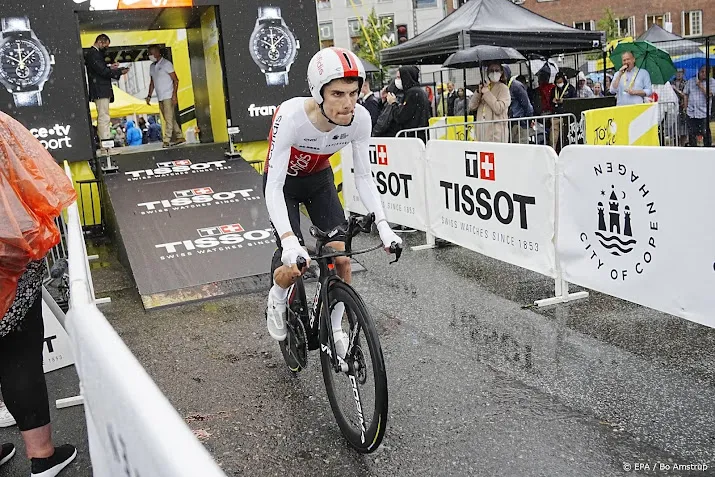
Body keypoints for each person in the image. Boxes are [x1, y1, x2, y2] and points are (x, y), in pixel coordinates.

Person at [263, 47, 402, 356]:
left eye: (353, 93)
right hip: (284, 185)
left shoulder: (360, 119)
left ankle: (336, 328)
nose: (348, 103)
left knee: (342, 259)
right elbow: (273, 186)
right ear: (318, 93)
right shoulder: (291, 116)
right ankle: (277, 295)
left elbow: (364, 177)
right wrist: (289, 240)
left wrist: (384, 226)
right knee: (295, 265)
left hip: (319, 182)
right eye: (338, 94)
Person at [0, 112, 77, 477]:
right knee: (18, 355)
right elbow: (32, 176)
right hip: (7, 259)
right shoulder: (1, 127)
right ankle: (42, 456)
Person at [85, 34, 129, 149]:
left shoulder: (93, 54)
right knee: (104, 118)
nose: (106, 48)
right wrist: (118, 71)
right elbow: (102, 71)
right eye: (106, 45)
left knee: (104, 117)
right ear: (100, 42)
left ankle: (105, 144)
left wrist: (111, 68)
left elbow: (101, 70)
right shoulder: (93, 54)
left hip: (100, 89)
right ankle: (106, 146)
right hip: (100, 90)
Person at [145, 45, 185, 148]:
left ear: (157, 53)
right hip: (160, 96)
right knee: (169, 118)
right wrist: (149, 95)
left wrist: (174, 95)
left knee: (168, 118)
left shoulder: (166, 64)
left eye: (151, 53)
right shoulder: (152, 67)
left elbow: (175, 80)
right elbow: (152, 82)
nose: (150, 55)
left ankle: (166, 140)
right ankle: (180, 136)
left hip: (168, 95)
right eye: (149, 53)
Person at [385, 66, 431, 142]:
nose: (397, 80)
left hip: (413, 137)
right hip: (419, 135)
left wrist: (393, 103)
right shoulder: (418, 91)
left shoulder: (412, 93)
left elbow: (401, 116)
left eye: (399, 77)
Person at [468, 62, 511, 143]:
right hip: (482, 131)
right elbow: (472, 106)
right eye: (491, 70)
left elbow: (499, 108)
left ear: (501, 72)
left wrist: (487, 93)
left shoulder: (503, 88)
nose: (494, 72)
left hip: (496, 132)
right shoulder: (485, 86)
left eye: (497, 70)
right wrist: (478, 92)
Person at [683, 65, 715, 147]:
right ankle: (693, 150)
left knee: (705, 133)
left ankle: (707, 149)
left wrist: (700, 86)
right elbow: (685, 94)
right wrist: (686, 107)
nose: (704, 73)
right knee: (692, 134)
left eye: (706, 72)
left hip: (704, 113)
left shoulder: (712, 81)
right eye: (702, 71)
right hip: (691, 112)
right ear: (698, 72)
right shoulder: (691, 81)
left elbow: (710, 94)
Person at [503, 65, 534, 144]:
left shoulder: (516, 86)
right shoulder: (503, 86)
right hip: (509, 123)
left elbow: (526, 104)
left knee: (521, 145)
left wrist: (529, 118)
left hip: (519, 122)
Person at [549, 72, 576, 151]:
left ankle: (566, 151)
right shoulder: (554, 89)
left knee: (565, 136)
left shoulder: (570, 88)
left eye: (560, 82)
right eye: (557, 82)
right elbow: (550, 101)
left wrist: (564, 101)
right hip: (556, 116)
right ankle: (553, 151)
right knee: (553, 137)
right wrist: (553, 101)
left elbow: (574, 101)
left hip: (566, 116)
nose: (559, 84)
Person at [672, 68, 688, 145]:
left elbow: (685, 95)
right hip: (673, 109)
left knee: (683, 130)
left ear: (683, 73)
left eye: (680, 72)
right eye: (677, 72)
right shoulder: (671, 83)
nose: (678, 74)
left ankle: (683, 145)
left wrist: (676, 89)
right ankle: (676, 146)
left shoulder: (686, 83)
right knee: (674, 129)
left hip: (682, 109)